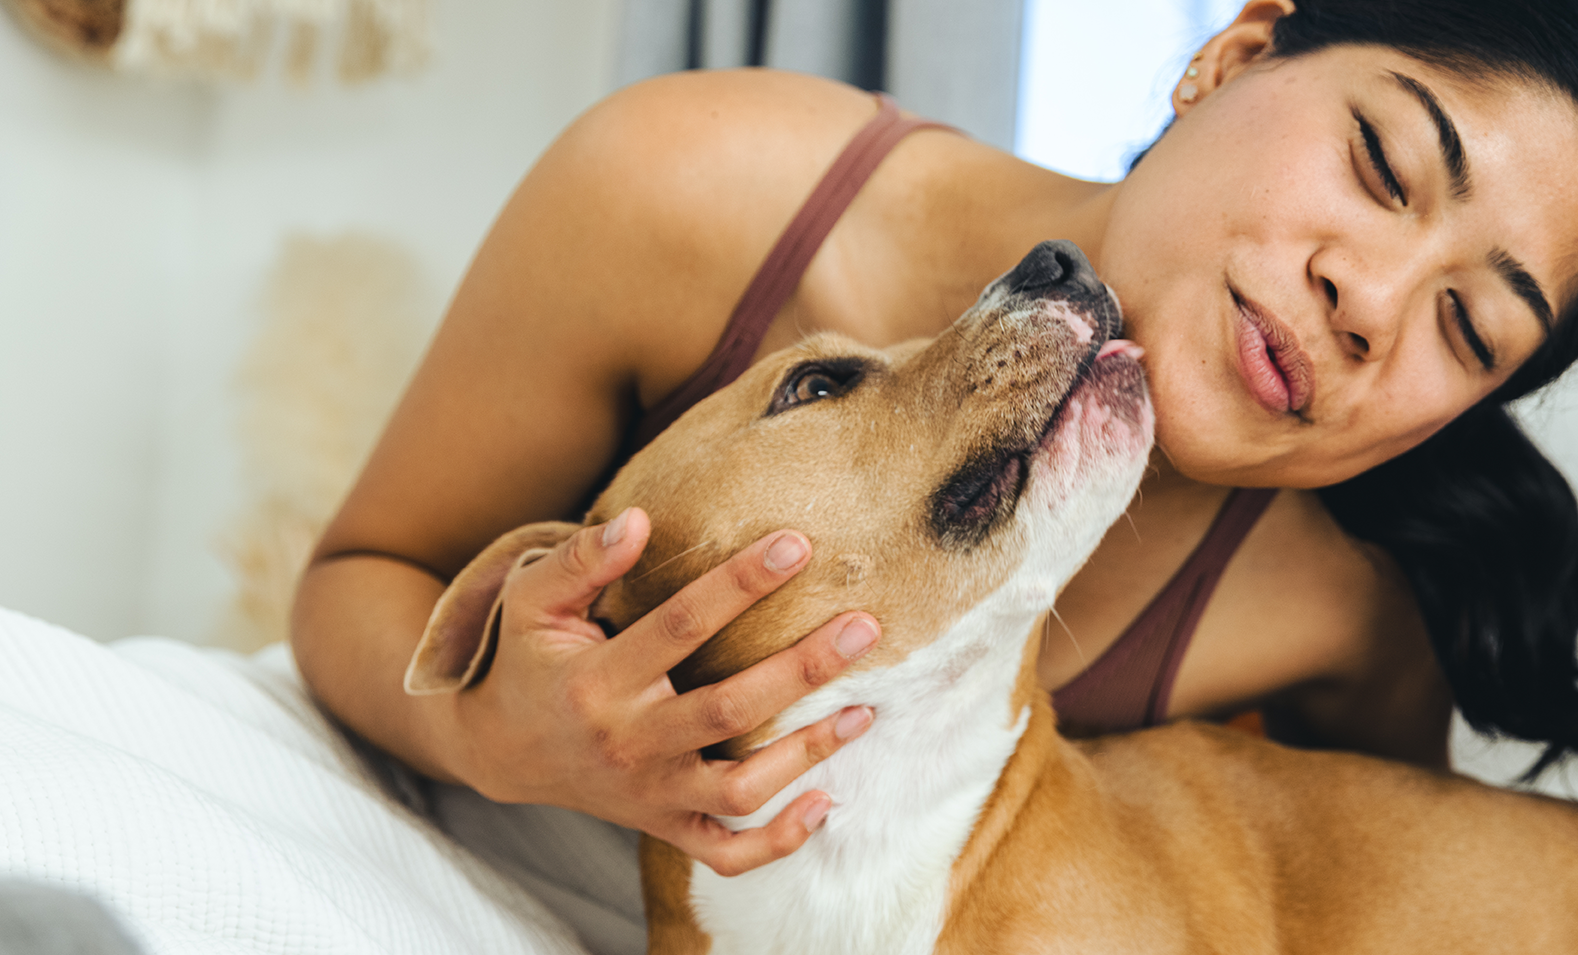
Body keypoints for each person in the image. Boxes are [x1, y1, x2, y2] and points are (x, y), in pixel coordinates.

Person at [291, 0, 1578, 882]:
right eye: (1382, 162)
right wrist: (490, 737)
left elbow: (1331, 889)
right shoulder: (693, 190)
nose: (1373, 304)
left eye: (1468, 327)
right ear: (1232, 59)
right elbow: (364, 574)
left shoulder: (1347, 600)